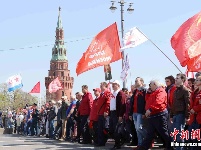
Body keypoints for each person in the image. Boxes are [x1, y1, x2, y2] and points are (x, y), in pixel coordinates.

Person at [134, 80, 171, 150]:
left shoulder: (161, 91)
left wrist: (150, 109)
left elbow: (159, 102)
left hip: (159, 115)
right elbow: (147, 101)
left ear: (154, 84)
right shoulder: (153, 92)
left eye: (150, 84)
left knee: (163, 132)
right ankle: (144, 147)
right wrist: (148, 93)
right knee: (150, 133)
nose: (149, 86)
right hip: (153, 115)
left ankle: (170, 146)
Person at [170, 73, 190, 150]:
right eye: (176, 78)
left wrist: (187, 116)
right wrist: (171, 115)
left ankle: (180, 148)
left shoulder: (185, 90)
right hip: (175, 114)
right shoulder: (175, 91)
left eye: (177, 78)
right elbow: (173, 104)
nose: (176, 79)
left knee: (179, 133)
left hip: (181, 115)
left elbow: (187, 104)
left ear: (182, 80)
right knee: (176, 133)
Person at [129, 77, 147, 147]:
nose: (135, 82)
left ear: (141, 82)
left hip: (140, 112)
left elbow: (146, 102)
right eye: (135, 81)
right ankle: (140, 144)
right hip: (134, 112)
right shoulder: (135, 91)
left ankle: (149, 138)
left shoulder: (144, 91)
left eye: (137, 81)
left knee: (139, 128)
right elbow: (132, 103)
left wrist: (144, 112)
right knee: (137, 129)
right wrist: (130, 113)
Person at [110, 80, 126, 149]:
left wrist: (120, 115)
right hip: (112, 112)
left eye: (115, 84)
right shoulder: (113, 93)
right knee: (112, 129)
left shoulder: (120, 93)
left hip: (117, 113)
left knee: (117, 130)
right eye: (113, 84)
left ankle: (117, 144)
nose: (113, 85)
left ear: (118, 85)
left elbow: (122, 105)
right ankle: (120, 141)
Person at [187, 76, 201, 150]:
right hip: (193, 118)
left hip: (199, 118)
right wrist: (191, 109)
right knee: (191, 137)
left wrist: (194, 109)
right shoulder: (194, 93)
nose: (196, 81)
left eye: (198, 80)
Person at [96, 82, 110, 147]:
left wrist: (106, 111)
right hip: (100, 113)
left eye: (101, 86)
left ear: (105, 86)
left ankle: (103, 141)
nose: (100, 87)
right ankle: (100, 142)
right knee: (100, 129)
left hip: (103, 113)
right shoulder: (102, 94)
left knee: (104, 128)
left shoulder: (107, 93)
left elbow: (108, 102)